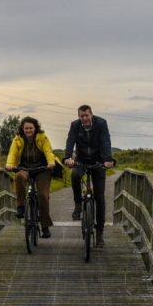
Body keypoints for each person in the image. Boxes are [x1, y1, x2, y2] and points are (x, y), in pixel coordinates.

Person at [63, 104, 113, 246]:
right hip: (81, 160)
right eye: (81, 116)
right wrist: (67, 157)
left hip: (98, 161)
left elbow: (105, 141)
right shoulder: (75, 126)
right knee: (74, 175)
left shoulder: (101, 124)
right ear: (79, 116)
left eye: (86, 115)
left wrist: (108, 159)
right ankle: (78, 204)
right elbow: (70, 141)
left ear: (91, 114)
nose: (84, 118)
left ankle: (99, 234)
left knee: (100, 197)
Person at [4, 116, 58, 238]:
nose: (28, 130)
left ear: (35, 128)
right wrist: (10, 164)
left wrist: (51, 162)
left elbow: (48, 151)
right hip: (25, 168)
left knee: (43, 196)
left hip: (42, 169)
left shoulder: (42, 137)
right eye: (26, 128)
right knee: (19, 177)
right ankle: (21, 206)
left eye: (31, 128)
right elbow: (12, 152)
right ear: (22, 129)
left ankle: (45, 227)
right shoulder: (18, 139)